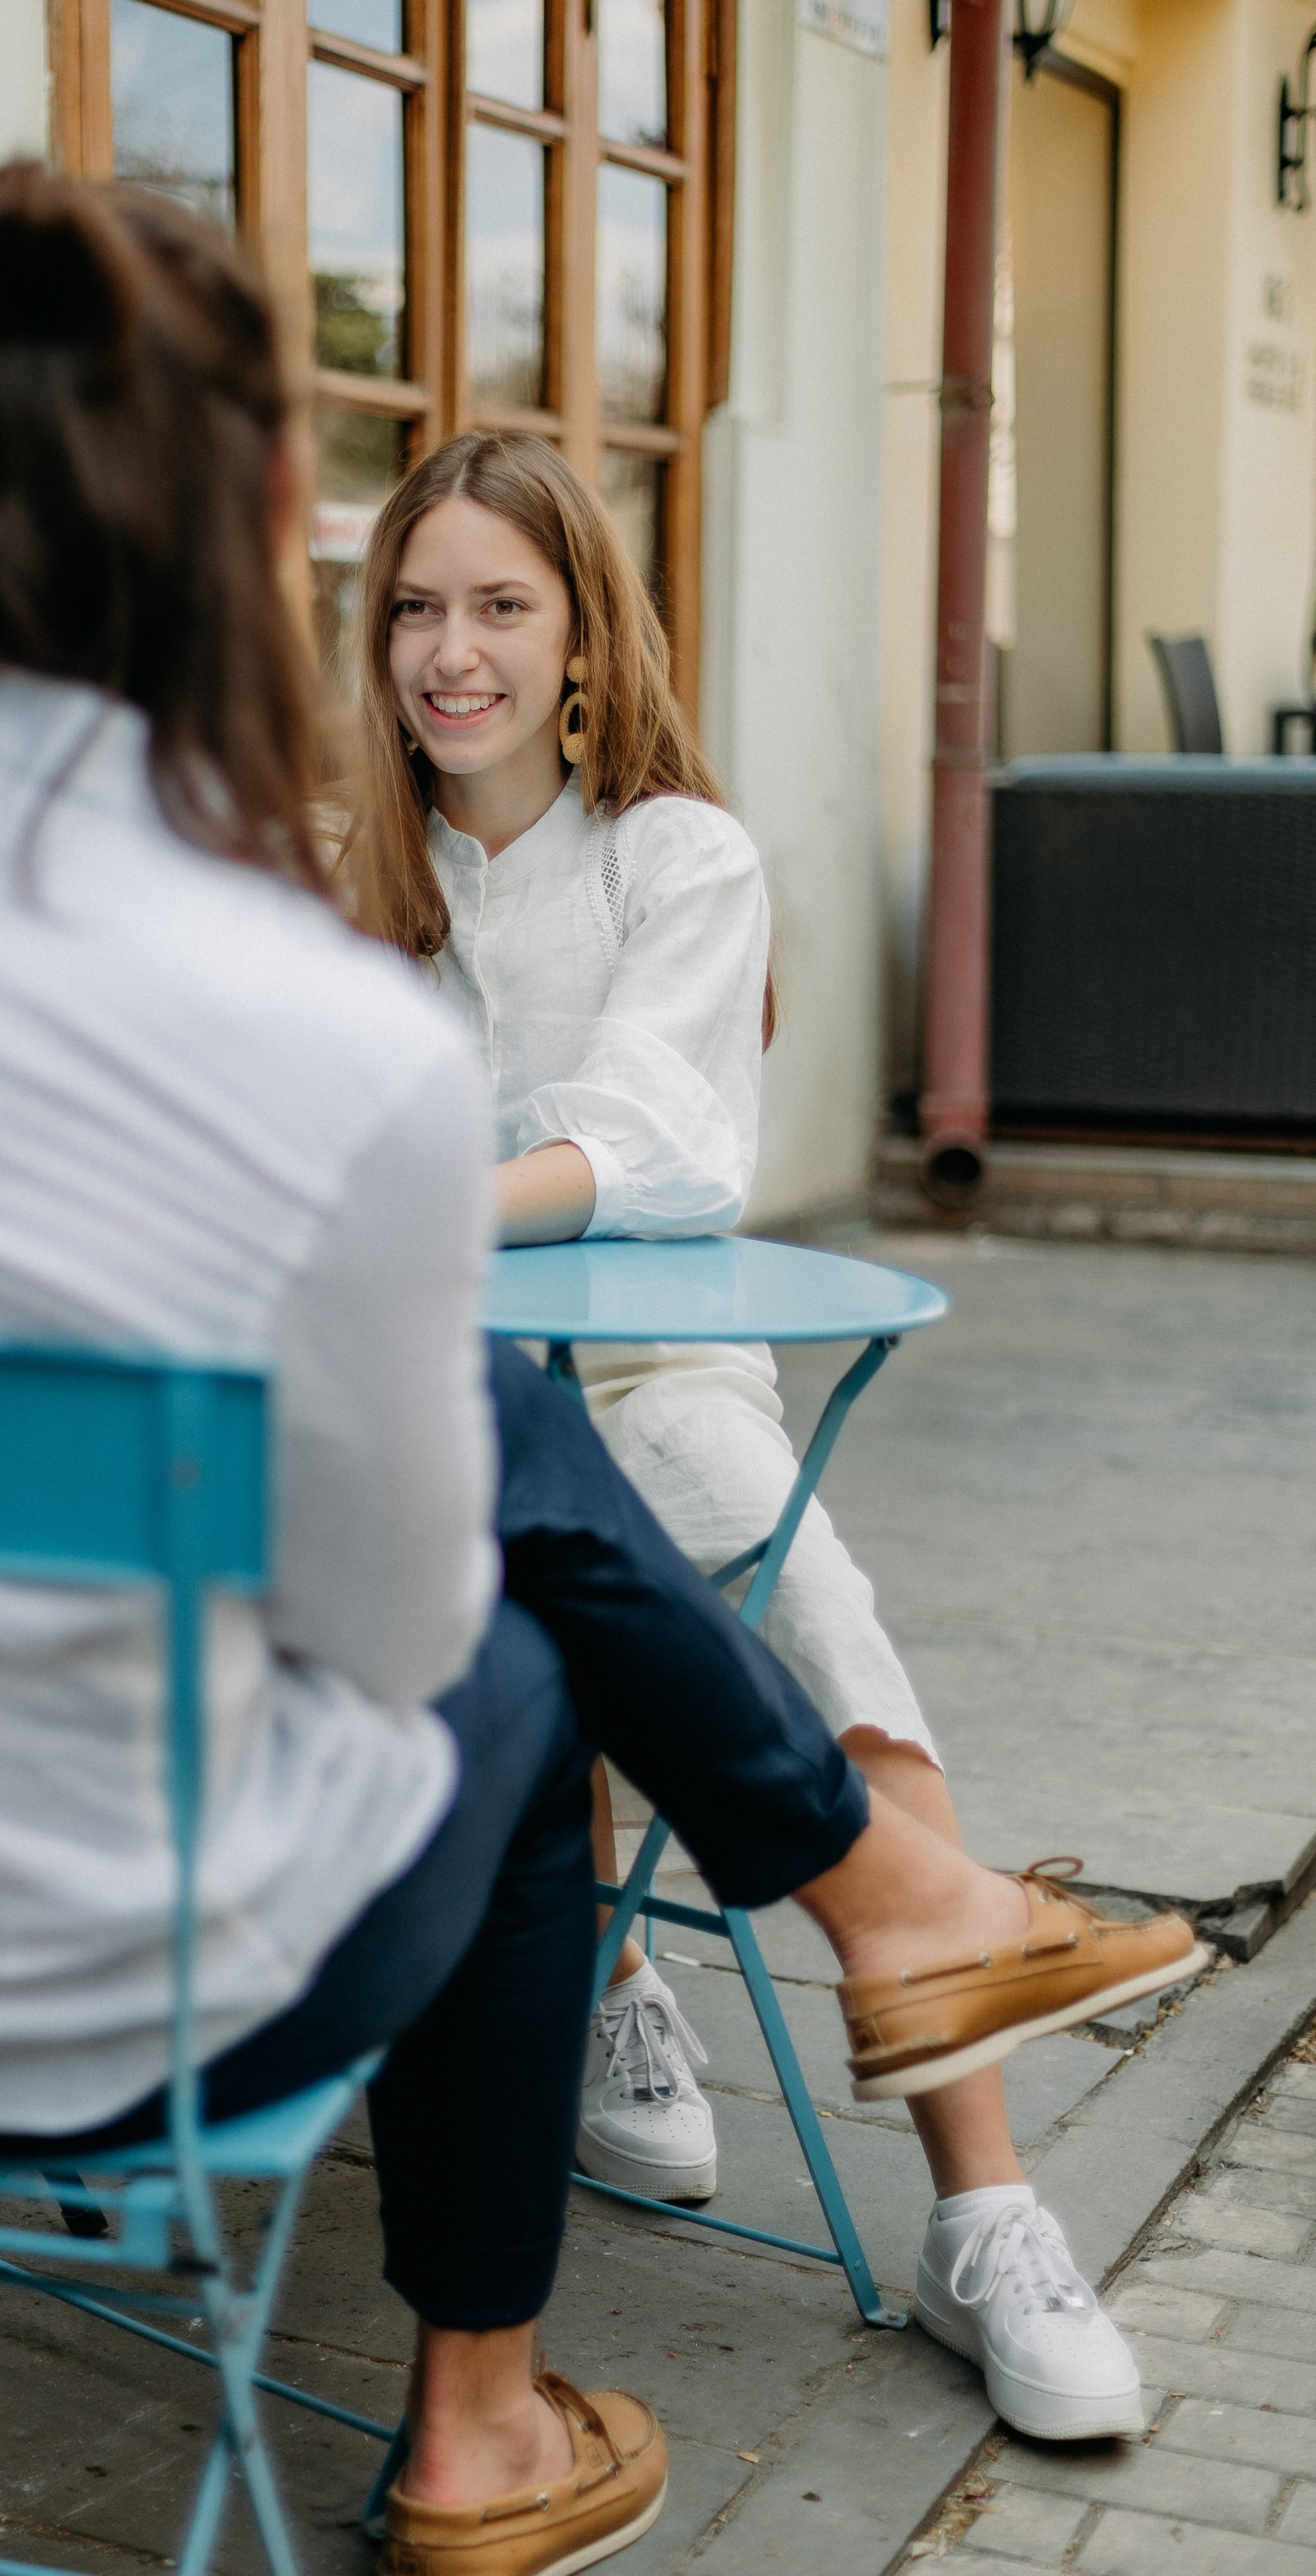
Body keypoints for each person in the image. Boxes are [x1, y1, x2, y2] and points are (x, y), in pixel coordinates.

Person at [0, 170, 1199, 2576]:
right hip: (114, 1996)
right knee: (515, 1616)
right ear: (270, 524)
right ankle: (496, 2401)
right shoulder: (293, 1019)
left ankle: (873, 1908)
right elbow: (369, 1626)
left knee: (533, 1484)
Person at [345, 426, 1185, 2446]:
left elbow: (654, 1137)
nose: (448, 652)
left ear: (577, 642)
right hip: (410, 1387)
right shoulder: (354, 878)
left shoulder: (677, 858)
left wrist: (397, 1208)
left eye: (497, 606)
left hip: (646, 1369)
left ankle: (982, 2205)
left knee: (786, 1574)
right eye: (412, 608)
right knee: (486, 1611)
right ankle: (616, 1986)